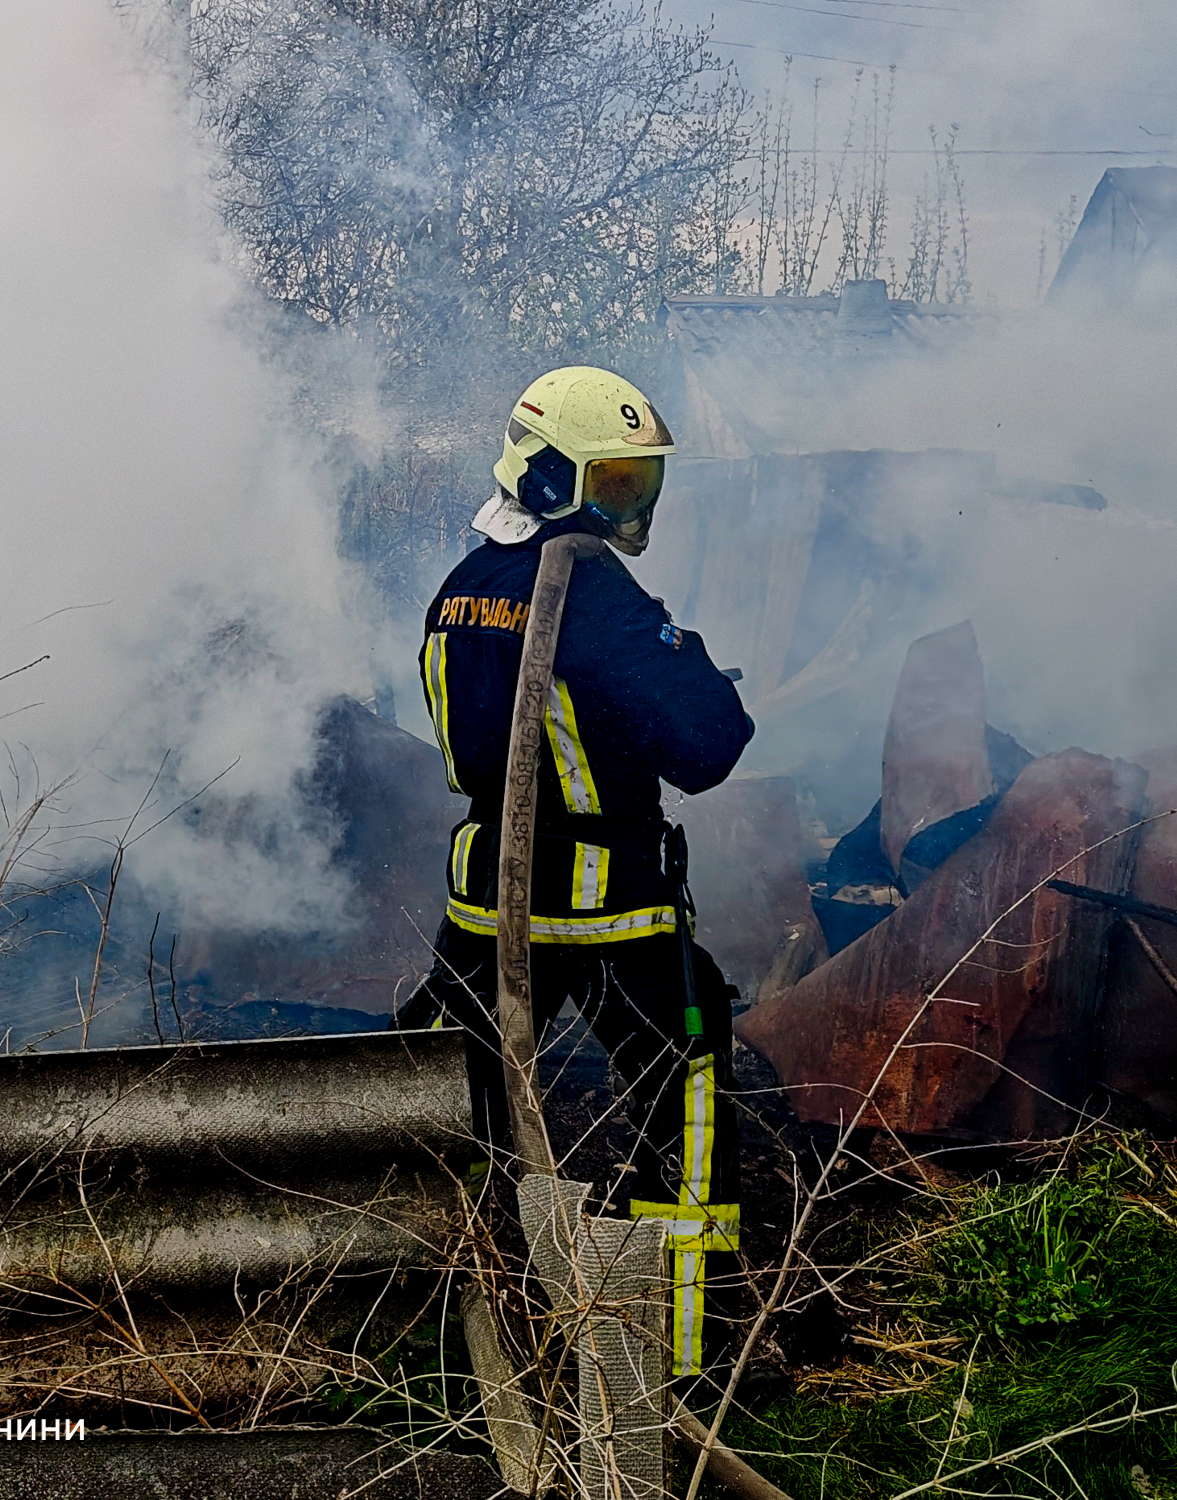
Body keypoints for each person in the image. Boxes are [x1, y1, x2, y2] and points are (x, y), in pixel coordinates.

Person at [397, 365, 753, 1380]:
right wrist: (683, 656)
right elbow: (707, 745)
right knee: (684, 1092)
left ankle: (450, 1344)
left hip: (486, 903)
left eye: (640, 483)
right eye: (614, 482)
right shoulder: (589, 590)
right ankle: (678, 1357)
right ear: (550, 473)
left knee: (450, 1103)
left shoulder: (461, 587)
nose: (629, 506)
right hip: (608, 908)